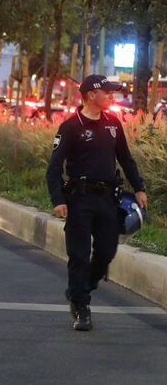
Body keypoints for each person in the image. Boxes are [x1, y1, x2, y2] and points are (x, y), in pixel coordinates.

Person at [46, 74, 147, 332]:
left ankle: (82, 287)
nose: (112, 96)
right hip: (79, 199)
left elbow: (126, 159)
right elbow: (54, 167)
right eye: (108, 92)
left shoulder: (113, 123)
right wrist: (58, 200)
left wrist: (139, 189)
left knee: (106, 252)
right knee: (78, 256)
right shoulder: (71, 126)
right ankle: (81, 307)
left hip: (107, 200)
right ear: (91, 95)